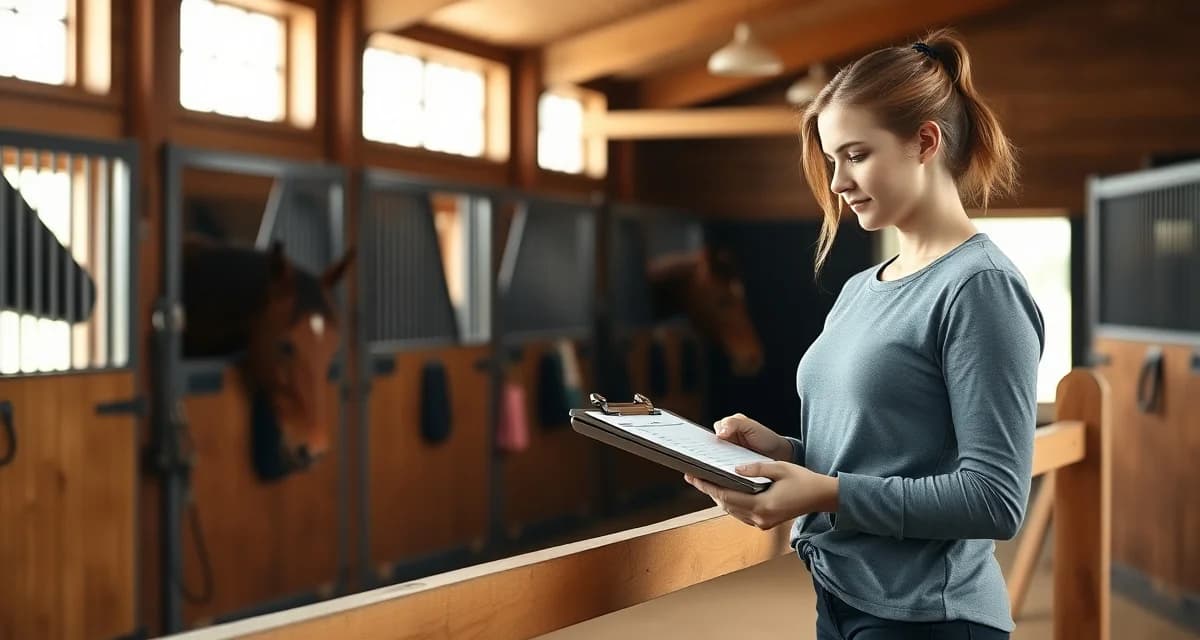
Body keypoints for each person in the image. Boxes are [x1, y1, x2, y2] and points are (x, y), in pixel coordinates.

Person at [682, 28, 1045, 639]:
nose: (838, 182)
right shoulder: (860, 288)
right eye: (832, 161)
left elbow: (994, 499)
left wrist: (820, 492)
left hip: (931, 618)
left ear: (924, 141)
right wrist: (787, 454)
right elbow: (885, 454)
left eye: (856, 154)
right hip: (842, 598)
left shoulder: (979, 287)